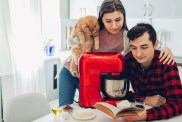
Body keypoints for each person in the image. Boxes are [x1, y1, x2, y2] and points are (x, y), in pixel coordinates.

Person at [59, 0, 175, 106]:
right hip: (70, 71)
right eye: (108, 21)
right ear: (101, 19)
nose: (114, 26)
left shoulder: (127, 37)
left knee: (91, 109)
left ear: (124, 17)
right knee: (65, 109)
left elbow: (144, 45)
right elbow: (71, 42)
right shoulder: (93, 29)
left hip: (93, 77)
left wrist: (166, 49)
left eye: (118, 20)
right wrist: (78, 29)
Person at [124, 23, 182, 121]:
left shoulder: (166, 63)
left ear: (155, 44)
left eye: (144, 47)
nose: (138, 54)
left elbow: (178, 103)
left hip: (165, 117)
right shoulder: (129, 60)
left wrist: (145, 115)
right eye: (133, 48)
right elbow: (122, 93)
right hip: (140, 107)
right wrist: (145, 99)